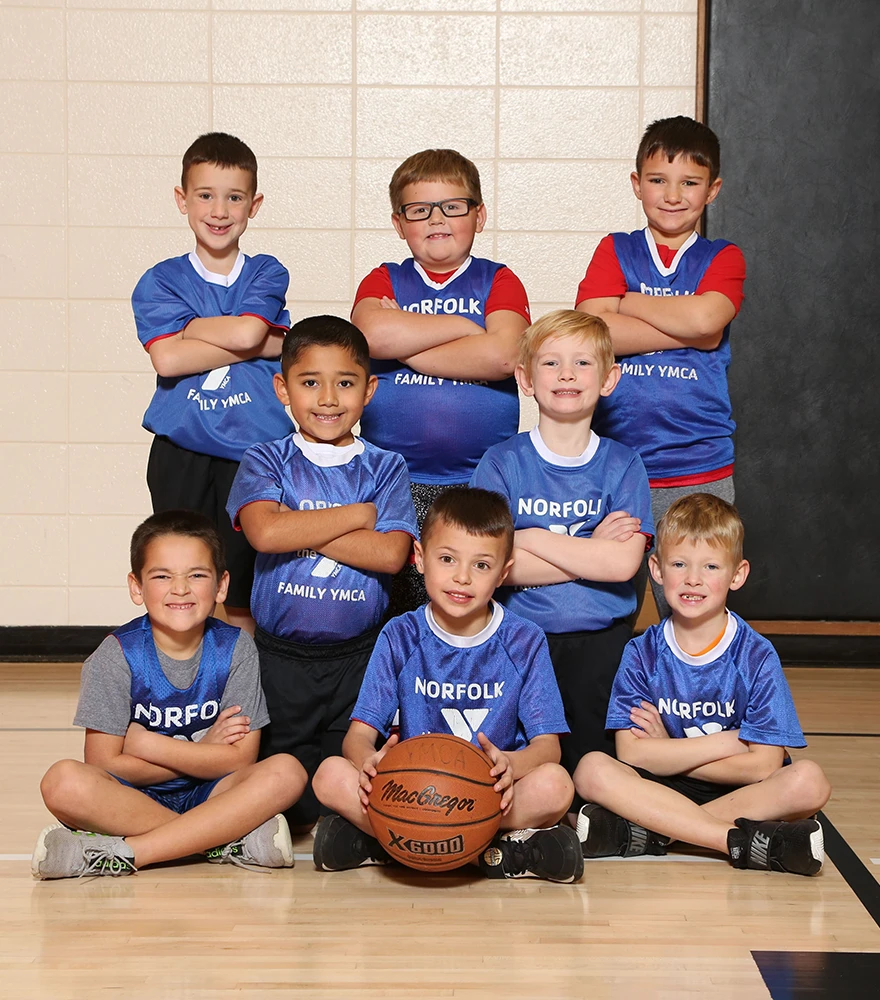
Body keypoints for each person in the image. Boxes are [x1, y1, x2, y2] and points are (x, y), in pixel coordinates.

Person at [311, 488, 583, 883]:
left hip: (487, 797)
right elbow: (357, 737)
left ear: (503, 573)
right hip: (410, 794)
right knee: (330, 775)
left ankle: (390, 846)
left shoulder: (524, 639)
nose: (462, 577)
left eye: (481, 565)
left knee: (557, 786)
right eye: (447, 559)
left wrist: (511, 763)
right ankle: (499, 855)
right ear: (420, 559)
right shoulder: (400, 635)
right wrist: (369, 761)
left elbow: (548, 748)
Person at [32, 511, 307, 880]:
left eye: (197, 575)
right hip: (132, 797)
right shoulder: (115, 655)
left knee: (287, 772)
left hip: (213, 793)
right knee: (62, 782)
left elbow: (241, 761)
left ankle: (129, 852)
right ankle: (220, 840)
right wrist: (207, 750)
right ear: (136, 587)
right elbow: (103, 765)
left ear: (221, 586)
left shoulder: (236, 647)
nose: (180, 589)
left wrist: (147, 745)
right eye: (162, 576)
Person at [573, 494, 831, 876]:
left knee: (810, 782)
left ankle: (650, 831)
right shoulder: (642, 652)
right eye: (679, 564)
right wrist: (729, 742)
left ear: (737, 574)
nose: (693, 579)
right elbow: (632, 754)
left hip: (739, 793)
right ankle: (740, 841)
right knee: (590, 770)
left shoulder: (756, 655)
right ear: (657, 570)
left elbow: (763, 766)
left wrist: (669, 750)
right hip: (661, 788)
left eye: (711, 566)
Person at [226, 316, 418, 828]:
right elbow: (265, 535)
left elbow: (391, 556)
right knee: (286, 788)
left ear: (369, 389)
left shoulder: (386, 467)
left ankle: (347, 825)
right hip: (279, 657)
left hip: (360, 657)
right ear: (282, 388)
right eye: (310, 382)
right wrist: (359, 516)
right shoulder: (264, 459)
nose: (329, 398)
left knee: (346, 768)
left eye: (346, 382)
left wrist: (296, 524)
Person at [574, 116, 747, 617]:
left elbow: (708, 316)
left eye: (689, 183)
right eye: (657, 180)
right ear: (636, 184)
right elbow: (593, 330)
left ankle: (697, 696)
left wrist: (625, 302)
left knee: (694, 608)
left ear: (712, 190)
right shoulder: (616, 249)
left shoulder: (722, 256)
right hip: (616, 463)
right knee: (605, 606)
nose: (672, 195)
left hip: (698, 464)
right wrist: (691, 326)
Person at [471, 310, 654, 775]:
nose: (567, 374)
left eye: (583, 363)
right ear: (526, 379)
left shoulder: (623, 464)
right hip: (521, 639)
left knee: (599, 766)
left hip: (603, 644)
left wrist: (527, 537)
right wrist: (593, 548)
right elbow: (492, 566)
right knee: (519, 761)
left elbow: (621, 566)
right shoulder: (500, 463)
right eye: (551, 363)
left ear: (609, 378)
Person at [352, 148, 531, 613]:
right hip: (394, 480)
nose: (437, 219)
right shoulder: (383, 278)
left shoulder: (499, 280)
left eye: (453, 206)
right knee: (399, 612)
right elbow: (369, 334)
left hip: (478, 481)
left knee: (469, 605)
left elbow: (504, 353)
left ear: (479, 214)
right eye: (419, 210)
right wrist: (468, 330)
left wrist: (406, 341)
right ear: (398, 223)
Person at [132, 132, 293, 634]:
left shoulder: (267, 271)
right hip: (181, 449)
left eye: (234, 197)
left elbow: (247, 331)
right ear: (182, 200)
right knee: (184, 577)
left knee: (242, 586)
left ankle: (245, 700)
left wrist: (194, 328)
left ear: (254, 204)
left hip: (252, 451)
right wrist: (261, 342)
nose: (219, 210)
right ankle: (183, 691)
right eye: (205, 195)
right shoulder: (159, 280)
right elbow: (167, 360)